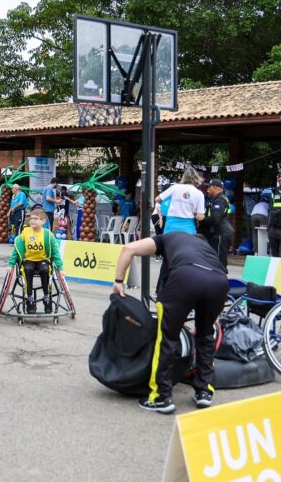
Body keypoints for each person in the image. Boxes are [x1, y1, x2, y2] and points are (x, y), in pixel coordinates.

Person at [112, 232, 227, 414]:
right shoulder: (207, 250)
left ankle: (160, 397)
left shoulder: (169, 238)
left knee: (167, 337)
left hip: (185, 276)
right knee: (206, 336)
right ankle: (204, 392)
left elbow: (129, 249)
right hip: (219, 281)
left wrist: (119, 281)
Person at [7, 209, 64, 314]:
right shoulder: (26, 232)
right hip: (29, 259)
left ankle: (47, 297)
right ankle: (29, 298)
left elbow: (55, 252)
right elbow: (17, 249)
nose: (32, 220)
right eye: (31, 218)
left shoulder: (48, 234)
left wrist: (60, 268)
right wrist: (10, 264)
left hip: (43, 259)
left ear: (43, 221)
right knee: (27, 269)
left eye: (35, 219)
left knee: (45, 270)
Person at [155, 168, 205, 235]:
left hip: (171, 225)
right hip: (188, 228)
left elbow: (157, 199)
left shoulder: (175, 187)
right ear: (196, 178)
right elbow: (200, 217)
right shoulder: (199, 194)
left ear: (183, 177)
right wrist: (193, 212)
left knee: (169, 245)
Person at [199, 179, 234, 267]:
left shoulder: (220, 200)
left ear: (215, 187)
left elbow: (215, 218)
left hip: (220, 234)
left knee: (218, 263)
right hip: (218, 233)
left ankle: (221, 280)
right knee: (214, 261)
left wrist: (202, 219)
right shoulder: (218, 199)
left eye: (209, 187)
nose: (207, 190)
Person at [250, 189, 271, 255]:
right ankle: (266, 252)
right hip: (263, 215)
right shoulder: (269, 204)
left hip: (253, 215)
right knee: (264, 233)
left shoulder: (258, 204)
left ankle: (256, 252)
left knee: (254, 234)